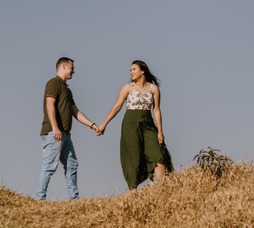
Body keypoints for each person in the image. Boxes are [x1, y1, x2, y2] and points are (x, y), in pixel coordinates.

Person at [95, 60, 173, 191]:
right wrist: (104, 124)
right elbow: (117, 106)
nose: (131, 72)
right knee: (134, 157)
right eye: (130, 70)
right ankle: (133, 191)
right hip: (130, 124)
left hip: (148, 124)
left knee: (158, 153)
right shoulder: (127, 88)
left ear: (143, 71)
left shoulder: (154, 89)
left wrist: (160, 131)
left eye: (134, 69)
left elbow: (156, 110)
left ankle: (161, 190)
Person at [37, 57, 97, 200]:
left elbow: (75, 112)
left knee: (72, 164)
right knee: (49, 166)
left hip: (65, 135)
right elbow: (49, 105)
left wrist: (92, 125)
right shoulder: (53, 83)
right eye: (72, 68)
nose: (74, 71)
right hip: (54, 133)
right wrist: (55, 128)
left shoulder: (67, 90)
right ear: (63, 67)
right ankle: (40, 198)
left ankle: (74, 199)